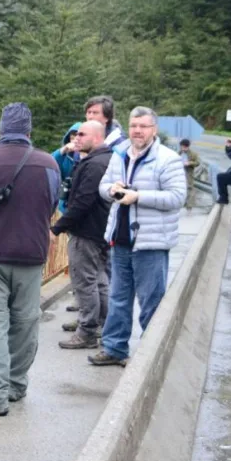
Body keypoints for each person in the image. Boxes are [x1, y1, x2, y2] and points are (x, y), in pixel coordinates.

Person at [0, 103, 60, 415]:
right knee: (25, 321)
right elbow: (52, 203)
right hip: (31, 254)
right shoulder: (49, 165)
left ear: (1, 131)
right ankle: (16, 385)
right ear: (29, 132)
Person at [89, 107, 186, 367]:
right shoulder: (119, 155)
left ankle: (151, 356)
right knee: (119, 297)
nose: (138, 131)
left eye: (143, 126)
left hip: (151, 243)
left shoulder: (167, 159)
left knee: (151, 300)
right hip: (120, 238)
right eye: (134, 126)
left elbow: (177, 197)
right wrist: (112, 189)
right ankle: (114, 348)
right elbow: (102, 187)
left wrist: (139, 196)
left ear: (153, 129)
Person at [51, 120, 113, 349]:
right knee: (99, 280)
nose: (76, 138)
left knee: (85, 282)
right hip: (99, 231)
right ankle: (101, 325)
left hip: (86, 232)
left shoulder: (94, 164)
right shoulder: (103, 160)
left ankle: (87, 332)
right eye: (75, 134)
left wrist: (57, 227)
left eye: (82, 134)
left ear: (97, 138)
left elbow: (83, 201)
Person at [52, 123, 81, 213]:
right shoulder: (65, 155)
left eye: (78, 136)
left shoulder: (88, 156)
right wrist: (62, 150)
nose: (75, 140)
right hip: (64, 201)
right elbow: (49, 163)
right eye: (73, 136)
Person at [179, 139, 201, 208]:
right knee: (180, 188)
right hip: (179, 172)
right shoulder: (179, 152)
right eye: (181, 147)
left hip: (188, 172)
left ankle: (189, 205)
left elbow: (198, 162)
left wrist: (189, 163)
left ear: (187, 147)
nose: (182, 148)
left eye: (184, 147)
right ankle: (182, 203)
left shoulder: (193, 154)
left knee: (189, 188)